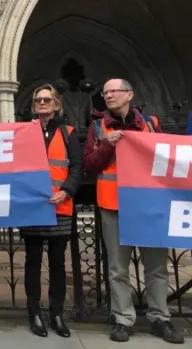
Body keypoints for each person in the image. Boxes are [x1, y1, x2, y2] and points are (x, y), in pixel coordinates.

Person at [83, 78, 184, 344]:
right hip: (113, 204)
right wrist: (108, 144)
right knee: (117, 268)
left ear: (130, 94)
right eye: (105, 93)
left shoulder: (151, 124)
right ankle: (122, 319)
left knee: (157, 267)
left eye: (114, 91)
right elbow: (89, 165)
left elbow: (166, 158)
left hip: (149, 205)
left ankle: (160, 317)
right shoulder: (98, 126)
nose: (108, 96)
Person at [21, 85, 82, 338]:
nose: (42, 103)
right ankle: (34, 311)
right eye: (38, 100)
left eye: (47, 99)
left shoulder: (68, 132)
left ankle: (56, 312)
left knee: (58, 262)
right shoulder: (23, 132)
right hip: (33, 207)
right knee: (33, 262)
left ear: (57, 104)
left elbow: (77, 167)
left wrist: (66, 191)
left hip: (61, 205)